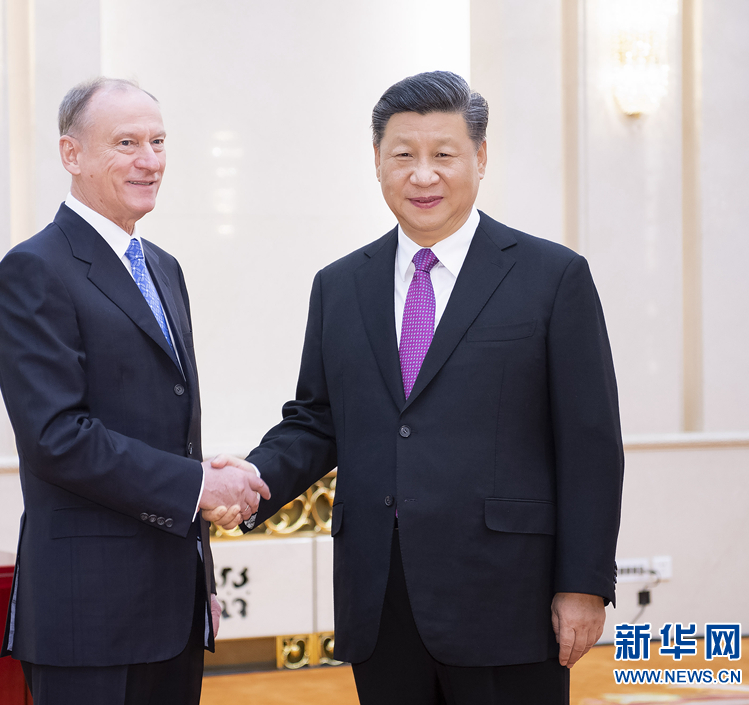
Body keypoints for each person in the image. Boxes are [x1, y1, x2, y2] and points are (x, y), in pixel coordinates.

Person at [237, 71, 623, 705]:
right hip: (380, 599)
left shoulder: (552, 277)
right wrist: (253, 480)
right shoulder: (339, 286)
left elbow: (590, 444)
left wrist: (582, 584)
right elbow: (317, 419)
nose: (423, 175)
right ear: (377, 161)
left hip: (508, 597)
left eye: (443, 154)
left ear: (480, 157)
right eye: (403, 156)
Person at [0, 77, 268, 705]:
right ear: (71, 154)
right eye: (126, 143)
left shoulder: (163, 268)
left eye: (158, 142)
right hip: (87, 616)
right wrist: (198, 486)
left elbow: (168, 430)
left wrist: (202, 581)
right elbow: (57, 438)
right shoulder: (34, 269)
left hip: (174, 611)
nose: (150, 160)